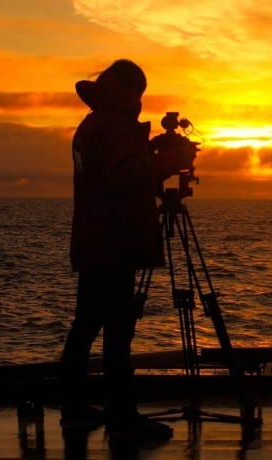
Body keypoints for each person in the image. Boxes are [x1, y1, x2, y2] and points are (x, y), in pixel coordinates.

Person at [60, 59, 180, 440]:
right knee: (116, 331)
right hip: (115, 240)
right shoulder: (111, 125)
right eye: (140, 93)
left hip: (95, 239)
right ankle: (123, 418)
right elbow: (123, 176)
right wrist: (165, 164)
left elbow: (112, 168)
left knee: (86, 326)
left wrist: (152, 150)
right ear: (130, 91)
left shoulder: (94, 122)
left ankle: (75, 408)